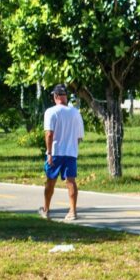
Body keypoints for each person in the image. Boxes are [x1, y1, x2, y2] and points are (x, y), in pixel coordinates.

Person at [39, 84, 85, 221]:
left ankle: (46, 210)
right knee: (71, 181)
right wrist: (72, 147)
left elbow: (49, 134)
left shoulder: (51, 112)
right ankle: (72, 211)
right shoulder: (75, 113)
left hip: (55, 151)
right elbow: (79, 137)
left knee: (50, 181)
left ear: (56, 96)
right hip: (71, 152)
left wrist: (49, 152)